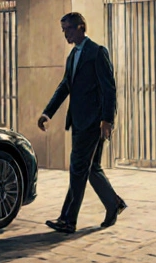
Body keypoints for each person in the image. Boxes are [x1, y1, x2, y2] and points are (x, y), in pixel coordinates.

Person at [38, 12, 127, 233]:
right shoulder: (72, 57)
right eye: (63, 30)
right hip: (78, 121)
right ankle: (113, 203)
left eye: (68, 29)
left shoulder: (97, 52)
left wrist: (108, 119)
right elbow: (65, 87)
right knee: (91, 168)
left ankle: (68, 220)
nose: (65, 34)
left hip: (94, 122)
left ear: (81, 27)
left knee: (78, 168)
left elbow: (109, 88)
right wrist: (48, 112)